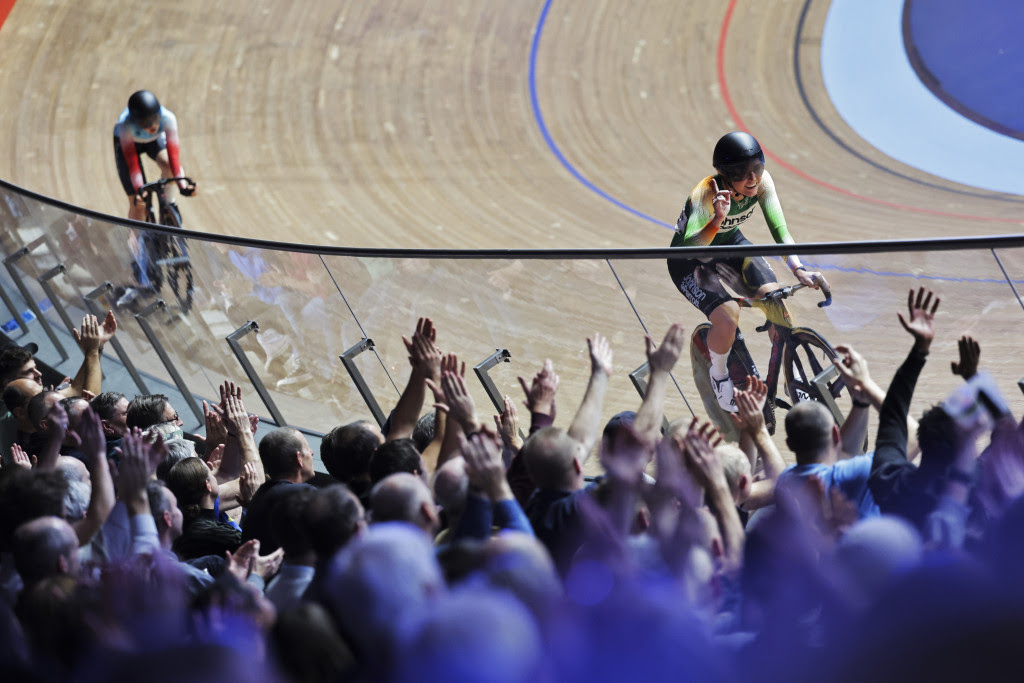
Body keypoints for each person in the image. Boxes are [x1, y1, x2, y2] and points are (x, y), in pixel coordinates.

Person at [667, 131, 826, 412]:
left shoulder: (762, 183)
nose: (752, 178)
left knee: (774, 298)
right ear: (726, 176)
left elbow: (780, 230)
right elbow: (691, 247)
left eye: (757, 168)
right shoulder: (707, 192)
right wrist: (717, 218)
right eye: (742, 172)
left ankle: (794, 376)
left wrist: (798, 268)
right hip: (689, 259)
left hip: (730, 245)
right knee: (728, 318)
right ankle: (719, 375)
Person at [113, 90, 197, 307]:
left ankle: (169, 205)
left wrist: (182, 185)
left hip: (151, 143)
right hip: (128, 146)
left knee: (169, 167)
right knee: (138, 201)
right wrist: (139, 191)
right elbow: (133, 167)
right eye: (147, 122)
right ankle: (135, 238)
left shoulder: (168, 118)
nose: (153, 125)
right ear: (137, 121)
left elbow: (174, 157)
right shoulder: (125, 126)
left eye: (155, 120)